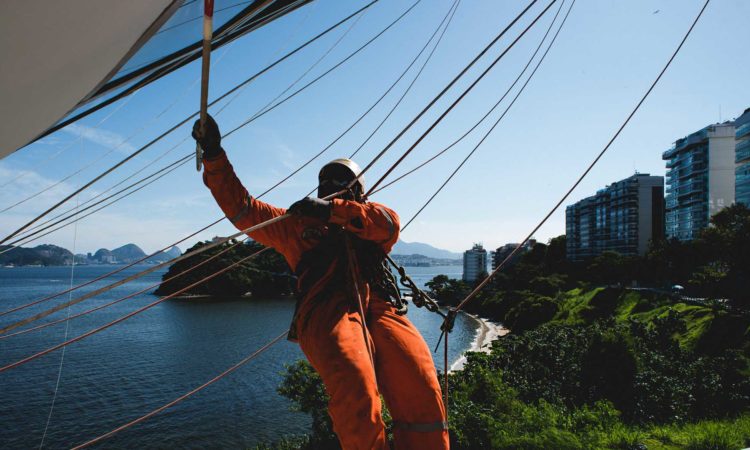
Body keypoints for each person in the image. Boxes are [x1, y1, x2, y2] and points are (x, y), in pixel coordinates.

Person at [193, 115, 448, 449]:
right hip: (327, 307)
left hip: (380, 306)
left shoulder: (370, 217)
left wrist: (333, 212)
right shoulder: (296, 224)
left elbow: (388, 225)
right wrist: (214, 154)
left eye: (341, 181)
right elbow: (243, 210)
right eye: (325, 181)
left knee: (420, 382)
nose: (331, 185)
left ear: (360, 190)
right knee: (354, 384)